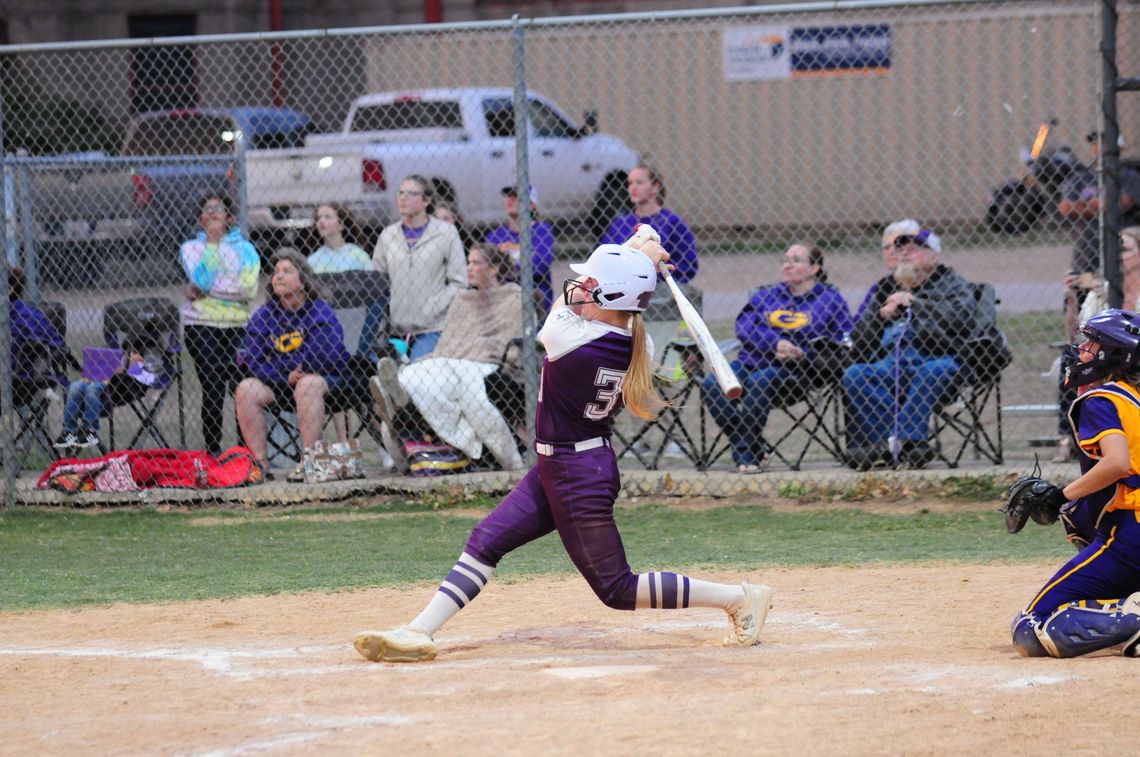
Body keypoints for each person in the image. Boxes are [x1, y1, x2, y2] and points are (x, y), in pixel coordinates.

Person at [353, 239, 774, 663]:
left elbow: (566, 296)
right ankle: (419, 630)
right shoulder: (636, 342)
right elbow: (593, 295)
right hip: (565, 465)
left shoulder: (569, 335)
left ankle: (739, 598)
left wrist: (636, 251)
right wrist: (636, 261)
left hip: (578, 474)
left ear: (613, 295)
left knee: (617, 589)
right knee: (486, 540)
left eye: (594, 284)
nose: (582, 286)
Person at [1008, 309, 1140, 659]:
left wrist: (1057, 495)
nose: (1080, 350)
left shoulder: (1102, 399)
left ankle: (1132, 617)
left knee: (1028, 628)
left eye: (1090, 344)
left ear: (1112, 354)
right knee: (1078, 514)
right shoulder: (1134, 399)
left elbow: (1117, 463)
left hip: (1132, 537)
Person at [373, 244, 525, 473]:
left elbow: (510, 341)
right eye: (468, 262)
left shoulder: (515, 297)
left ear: (493, 269)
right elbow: (448, 342)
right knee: (419, 372)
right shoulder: (462, 299)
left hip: (484, 364)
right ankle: (398, 393)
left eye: (476, 263)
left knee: (458, 383)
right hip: (450, 359)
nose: (469, 268)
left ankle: (402, 402)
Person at [703, 243, 851, 473]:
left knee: (760, 381)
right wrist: (774, 343)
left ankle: (746, 455)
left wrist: (803, 352)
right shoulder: (767, 295)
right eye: (785, 259)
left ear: (815, 268)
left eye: (796, 260)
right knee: (712, 384)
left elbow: (842, 341)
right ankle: (753, 446)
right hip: (751, 361)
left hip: (797, 372)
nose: (788, 264)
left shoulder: (831, 301)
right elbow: (744, 327)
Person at [843, 228, 975, 470]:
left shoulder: (953, 284)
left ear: (934, 256)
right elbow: (858, 338)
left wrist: (916, 303)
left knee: (933, 371)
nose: (904, 254)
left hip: (936, 358)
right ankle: (894, 445)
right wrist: (880, 316)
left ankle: (908, 441)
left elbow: (961, 321)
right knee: (855, 375)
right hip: (891, 363)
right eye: (900, 249)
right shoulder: (885, 288)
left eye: (912, 249)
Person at [235, 249, 351, 479]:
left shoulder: (319, 311)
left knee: (307, 383)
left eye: (287, 271)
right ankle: (259, 463)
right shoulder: (265, 315)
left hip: (326, 382)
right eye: (276, 272)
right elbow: (253, 360)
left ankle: (309, 460)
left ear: (303, 281)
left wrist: (295, 370)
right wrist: (284, 375)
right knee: (246, 388)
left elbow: (323, 355)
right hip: (282, 382)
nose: (278, 276)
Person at [180, 195, 261, 456]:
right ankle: (213, 451)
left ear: (229, 217)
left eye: (219, 209)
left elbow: (248, 289)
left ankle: (244, 452)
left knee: (242, 388)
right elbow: (202, 281)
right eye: (208, 210)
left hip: (238, 325)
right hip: (201, 325)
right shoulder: (191, 248)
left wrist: (206, 290)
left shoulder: (246, 249)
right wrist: (213, 245)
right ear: (201, 219)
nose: (214, 213)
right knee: (212, 385)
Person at [371, 174, 466, 362]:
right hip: (394, 328)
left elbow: (459, 282)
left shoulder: (445, 232)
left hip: (431, 327)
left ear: (426, 201)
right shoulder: (387, 235)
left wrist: (433, 306)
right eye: (400, 193)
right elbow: (376, 280)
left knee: (417, 372)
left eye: (411, 193)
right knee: (378, 368)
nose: (403, 198)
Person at [599, 162, 699, 284]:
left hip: (660, 289)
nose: (632, 188)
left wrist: (655, 274)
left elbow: (689, 265)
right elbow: (603, 258)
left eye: (639, 182)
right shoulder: (620, 224)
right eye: (630, 183)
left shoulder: (672, 222)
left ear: (655, 187)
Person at [54, 350, 157, 451]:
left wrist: (124, 369)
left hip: (114, 387)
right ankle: (68, 430)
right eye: (132, 352)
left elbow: (139, 381)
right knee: (74, 387)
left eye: (136, 352)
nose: (131, 355)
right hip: (98, 377)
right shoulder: (121, 354)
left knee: (92, 389)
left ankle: (89, 429)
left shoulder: (144, 368)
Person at [484, 185, 556, 315]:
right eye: (508, 196)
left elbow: (539, 265)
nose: (510, 200)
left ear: (532, 205)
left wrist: (504, 265)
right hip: (501, 300)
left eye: (516, 197)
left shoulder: (542, 231)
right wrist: (521, 262)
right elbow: (486, 268)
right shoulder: (495, 235)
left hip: (535, 301)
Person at [8, 265, 65, 410]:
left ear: (9, 289)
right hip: (31, 382)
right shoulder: (33, 314)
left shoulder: (23, 317)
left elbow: (56, 346)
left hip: (20, 384)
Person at [853, 219, 921, 320]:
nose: (891, 252)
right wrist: (880, 315)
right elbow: (859, 323)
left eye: (896, 246)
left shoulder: (928, 282)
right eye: (886, 247)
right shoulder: (882, 285)